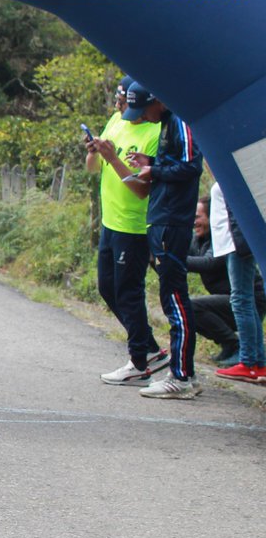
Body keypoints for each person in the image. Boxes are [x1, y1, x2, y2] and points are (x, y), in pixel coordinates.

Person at [85, 75, 169, 385]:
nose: (122, 111)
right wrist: (95, 152)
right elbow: (93, 169)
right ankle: (149, 349)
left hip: (134, 226)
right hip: (110, 221)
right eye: (120, 104)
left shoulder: (155, 133)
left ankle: (138, 362)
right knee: (108, 288)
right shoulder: (115, 120)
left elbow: (140, 190)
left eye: (128, 107)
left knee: (129, 293)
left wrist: (114, 158)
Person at [125, 81, 204, 399]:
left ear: (159, 100)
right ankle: (184, 373)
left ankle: (182, 377)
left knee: (175, 299)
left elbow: (190, 166)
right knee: (171, 297)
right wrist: (151, 163)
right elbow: (174, 164)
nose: (143, 115)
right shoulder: (166, 124)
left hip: (173, 222)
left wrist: (154, 172)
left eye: (145, 108)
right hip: (162, 219)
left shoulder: (181, 121)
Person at [211, 183, 266, 381]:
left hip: (236, 243)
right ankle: (258, 362)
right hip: (231, 242)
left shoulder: (233, 171)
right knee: (244, 300)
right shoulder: (222, 170)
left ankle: (249, 362)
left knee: (241, 300)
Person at [187, 196, 242, 367]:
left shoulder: (222, 240)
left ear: (213, 218)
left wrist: (173, 259)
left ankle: (235, 345)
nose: (194, 222)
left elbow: (208, 263)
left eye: (198, 217)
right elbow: (176, 260)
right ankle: (228, 345)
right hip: (227, 301)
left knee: (192, 306)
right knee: (182, 307)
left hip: (248, 302)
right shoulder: (197, 240)